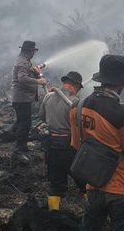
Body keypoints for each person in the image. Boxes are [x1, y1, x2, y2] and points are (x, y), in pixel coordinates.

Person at [70, 55, 124, 231]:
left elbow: (75, 145)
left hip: (93, 184)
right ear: (122, 84)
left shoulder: (77, 108)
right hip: (121, 188)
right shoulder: (123, 117)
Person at [39, 71, 86, 211]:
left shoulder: (48, 97)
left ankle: (53, 214)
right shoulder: (76, 102)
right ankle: (94, 212)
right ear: (76, 86)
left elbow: (42, 116)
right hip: (69, 145)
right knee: (84, 180)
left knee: (55, 183)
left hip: (51, 145)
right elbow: (81, 126)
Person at [11, 41, 47, 163]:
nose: (34, 54)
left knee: (23, 122)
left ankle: (23, 147)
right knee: (24, 124)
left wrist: (35, 71)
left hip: (23, 98)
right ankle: (18, 151)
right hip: (21, 99)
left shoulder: (24, 60)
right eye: (33, 51)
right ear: (28, 51)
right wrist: (39, 81)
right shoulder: (22, 62)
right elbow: (22, 79)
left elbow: (26, 74)